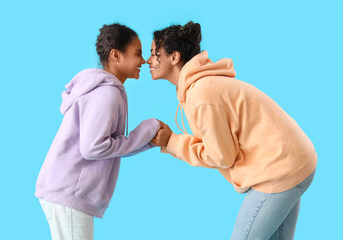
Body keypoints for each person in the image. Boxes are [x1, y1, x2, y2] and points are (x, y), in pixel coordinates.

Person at [148, 21, 317, 240]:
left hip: (281, 169)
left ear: (174, 57)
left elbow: (222, 156)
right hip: (297, 161)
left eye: (154, 54)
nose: (148, 61)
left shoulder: (202, 93)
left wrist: (172, 142)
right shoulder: (203, 87)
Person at [35, 23, 160, 240]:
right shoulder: (107, 94)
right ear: (115, 55)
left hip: (67, 192)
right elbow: (94, 148)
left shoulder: (106, 90)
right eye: (137, 54)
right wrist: (146, 130)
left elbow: (108, 145)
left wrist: (148, 139)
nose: (144, 61)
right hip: (69, 192)